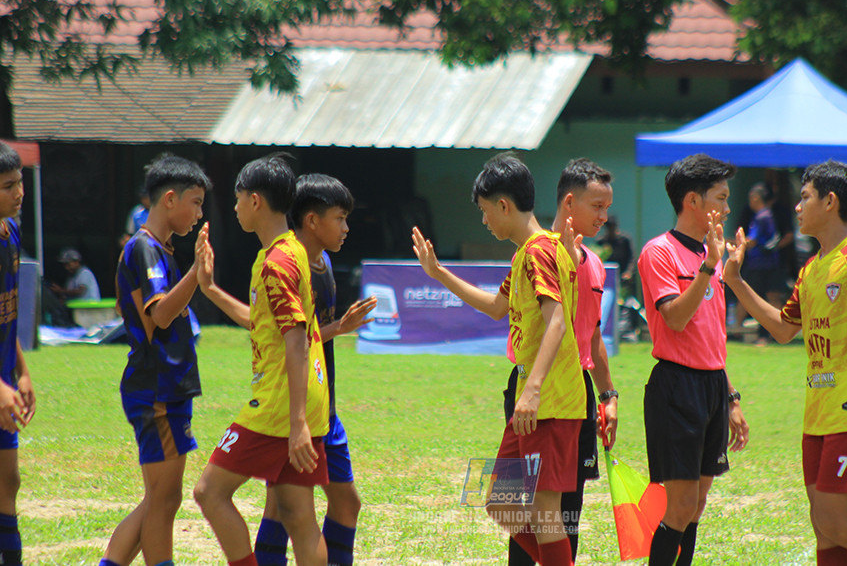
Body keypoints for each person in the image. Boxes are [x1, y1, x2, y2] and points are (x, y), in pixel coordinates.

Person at [724, 160, 847, 566]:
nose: (797, 207)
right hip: (818, 413)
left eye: (805, 197)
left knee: (835, 518)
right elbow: (783, 329)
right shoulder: (812, 269)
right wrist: (735, 281)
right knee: (823, 522)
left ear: (830, 201)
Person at [412, 152, 583, 566]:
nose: (485, 221)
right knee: (499, 501)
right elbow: (495, 306)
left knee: (544, 510)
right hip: (532, 400)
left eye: (486, 212)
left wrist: (534, 390)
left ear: (504, 205)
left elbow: (557, 321)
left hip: (549, 400)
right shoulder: (527, 253)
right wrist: (437, 273)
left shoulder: (540, 251)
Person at [193, 154, 330, 566]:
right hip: (303, 399)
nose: (233, 208)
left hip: (277, 405)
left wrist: (297, 423)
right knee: (298, 516)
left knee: (208, 492)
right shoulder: (289, 250)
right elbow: (264, 324)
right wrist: (211, 289)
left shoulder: (277, 263)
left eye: (236, 199)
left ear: (255, 201)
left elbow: (295, 340)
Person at [253, 173, 377, 566]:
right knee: (282, 506)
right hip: (295, 409)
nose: (346, 227)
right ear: (311, 221)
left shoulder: (323, 263)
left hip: (326, 408)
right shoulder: (286, 265)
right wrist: (337, 328)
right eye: (339, 218)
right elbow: (284, 336)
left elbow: (305, 334)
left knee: (346, 503)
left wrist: (336, 328)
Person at [505, 158, 619, 564]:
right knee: (510, 503)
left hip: (570, 391)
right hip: (527, 385)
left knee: (562, 511)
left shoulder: (593, 264)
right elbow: (502, 308)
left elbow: (590, 333)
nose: (604, 217)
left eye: (607, 208)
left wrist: (609, 394)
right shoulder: (536, 253)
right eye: (597, 207)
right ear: (569, 203)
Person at [637, 153, 749, 566]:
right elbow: (676, 320)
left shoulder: (711, 257)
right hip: (676, 387)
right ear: (693, 202)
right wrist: (709, 267)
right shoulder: (659, 252)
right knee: (681, 506)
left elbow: (712, 339)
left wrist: (731, 398)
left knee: (697, 505)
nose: (727, 207)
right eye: (721, 197)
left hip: (711, 386)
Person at [101, 154, 211, 566]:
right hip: (156, 388)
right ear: (169, 199)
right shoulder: (145, 249)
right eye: (196, 202)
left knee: (162, 498)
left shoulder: (161, 250)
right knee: (162, 500)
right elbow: (160, 313)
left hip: (168, 386)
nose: (199, 214)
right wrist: (197, 273)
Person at [0, 141, 34, 566]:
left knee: (9, 481)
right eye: (8, 186)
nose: (19, 193)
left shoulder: (12, 233)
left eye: (20, 182)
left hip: (5, 383)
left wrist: (22, 374)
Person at [742, 183, 784, 343]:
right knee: (771, 298)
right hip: (769, 264)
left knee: (758, 300)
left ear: (756, 198)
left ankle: (763, 336)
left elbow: (751, 241)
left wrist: (730, 243)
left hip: (761, 265)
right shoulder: (768, 214)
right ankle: (776, 333)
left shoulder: (761, 216)